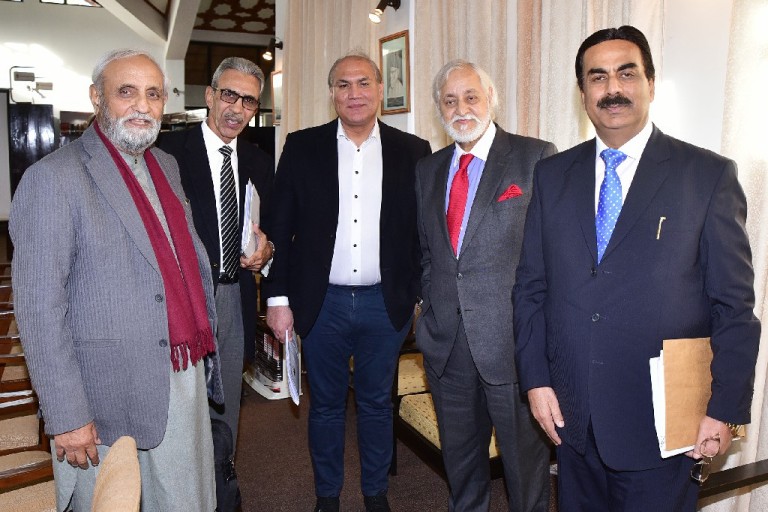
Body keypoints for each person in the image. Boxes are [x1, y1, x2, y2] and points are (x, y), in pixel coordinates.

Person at [513, 25, 761, 511]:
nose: (613, 89)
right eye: (598, 77)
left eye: (627, 74)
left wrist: (724, 410)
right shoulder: (552, 174)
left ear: (650, 83)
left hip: (664, 426)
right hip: (572, 417)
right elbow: (530, 288)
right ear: (583, 92)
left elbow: (734, 306)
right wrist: (535, 380)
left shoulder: (707, 175)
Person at [10, 49, 222, 511]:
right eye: (127, 92)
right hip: (102, 392)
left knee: (186, 500)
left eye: (154, 94)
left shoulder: (165, 166)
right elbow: (40, 309)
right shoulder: (53, 179)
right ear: (97, 97)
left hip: (179, 370)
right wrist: (67, 414)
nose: (142, 106)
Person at [264, 52, 431, 512]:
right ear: (332, 93)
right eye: (343, 84)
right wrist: (277, 298)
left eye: (363, 83)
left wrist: (417, 296)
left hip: (385, 304)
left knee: (377, 405)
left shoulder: (413, 151)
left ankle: (376, 494)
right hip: (322, 305)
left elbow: (423, 233)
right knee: (325, 406)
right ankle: (327, 497)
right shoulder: (302, 147)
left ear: (379, 89)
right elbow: (279, 229)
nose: (354, 93)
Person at [414, 59, 556, 512]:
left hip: (512, 347)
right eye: (449, 100)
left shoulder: (535, 157)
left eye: (471, 97)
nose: (461, 109)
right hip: (446, 348)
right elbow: (429, 253)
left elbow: (552, 257)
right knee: (461, 471)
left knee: (525, 474)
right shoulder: (428, 170)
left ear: (491, 98)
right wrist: (429, 309)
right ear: (439, 108)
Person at [157, 57, 273, 509]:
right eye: (229, 95)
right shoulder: (166, 152)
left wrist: (267, 251)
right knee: (179, 406)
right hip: (181, 301)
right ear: (209, 95)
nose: (237, 108)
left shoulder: (259, 160)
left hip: (233, 297)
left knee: (226, 406)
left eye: (249, 101)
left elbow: (270, 229)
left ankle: (221, 488)